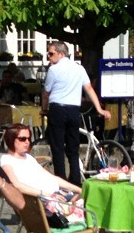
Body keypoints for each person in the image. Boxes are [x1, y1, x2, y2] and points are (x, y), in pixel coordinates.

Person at [0, 123, 128, 233]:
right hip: (44, 207)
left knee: (94, 205)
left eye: (29, 138)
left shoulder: (28, 158)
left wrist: (79, 188)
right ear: (10, 139)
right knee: (88, 215)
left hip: (58, 198)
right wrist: (44, 194)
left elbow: (52, 178)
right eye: (22, 139)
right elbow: (16, 186)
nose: (27, 142)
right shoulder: (6, 161)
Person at [41, 41, 112, 186]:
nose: (49, 56)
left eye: (51, 53)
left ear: (61, 54)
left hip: (58, 109)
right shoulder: (79, 68)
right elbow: (89, 89)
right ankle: (75, 181)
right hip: (73, 110)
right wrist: (99, 108)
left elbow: (46, 94)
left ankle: (61, 181)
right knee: (73, 148)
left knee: (58, 148)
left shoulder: (54, 70)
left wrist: (43, 109)